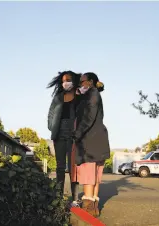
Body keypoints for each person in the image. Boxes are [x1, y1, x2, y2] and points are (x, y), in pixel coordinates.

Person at [72, 72, 110, 217]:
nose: (80, 84)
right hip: (98, 139)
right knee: (95, 175)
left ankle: (88, 209)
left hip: (90, 140)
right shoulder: (93, 94)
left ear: (91, 82)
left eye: (83, 82)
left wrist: (77, 133)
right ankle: (93, 208)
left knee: (88, 174)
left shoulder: (92, 95)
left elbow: (88, 117)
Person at [47, 71, 81, 207]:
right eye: (63, 80)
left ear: (74, 81)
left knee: (73, 167)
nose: (65, 82)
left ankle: (75, 199)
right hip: (59, 134)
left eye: (68, 80)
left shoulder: (79, 97)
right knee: (60, 167)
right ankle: (59, 197)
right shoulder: (58, 97)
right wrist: (51, 126)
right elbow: (50, 112)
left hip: (73, 135)